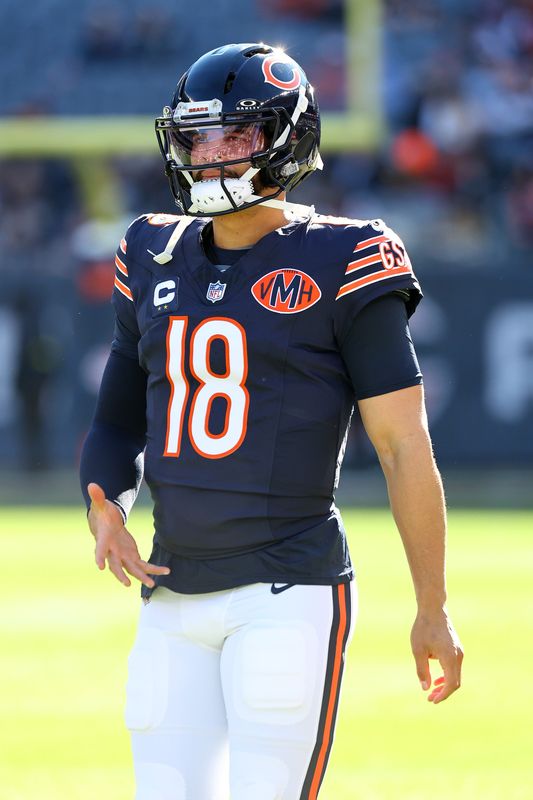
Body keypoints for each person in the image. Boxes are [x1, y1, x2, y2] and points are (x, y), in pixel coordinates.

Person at [80, 42, 463, 800]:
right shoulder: (150, 250)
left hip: (286, 592)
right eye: (198, 137)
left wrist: (431, 606)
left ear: (285, 139)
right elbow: (119, 417)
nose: (211, 154)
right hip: (170, 592)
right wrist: (106, 504)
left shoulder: (347, 254)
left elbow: (400, 443)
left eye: (238, 136)